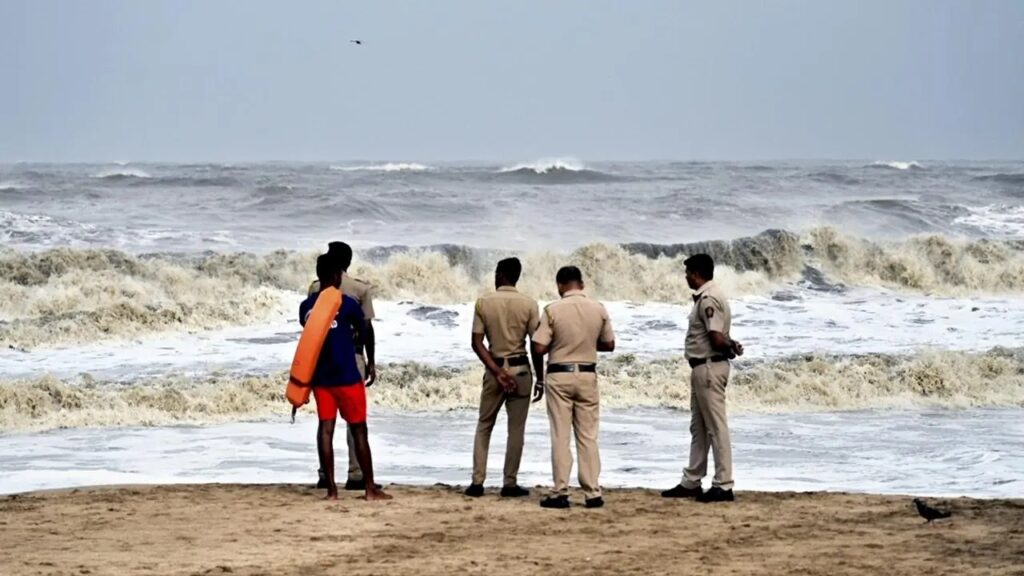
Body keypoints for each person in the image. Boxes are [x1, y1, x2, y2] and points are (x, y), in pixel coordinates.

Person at [300, 253, 390, 501]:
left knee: (326, 429)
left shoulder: (306, 307)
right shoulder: (348, 303)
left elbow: (310, 333)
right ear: (337, 276)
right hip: (347, 376)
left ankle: (331, 490)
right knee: (359, 429)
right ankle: (370, 489)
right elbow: (363, 330)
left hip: (321, 378)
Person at [531, 266, 615, 509]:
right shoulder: (598, 308)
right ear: (582, 284)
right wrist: (585, 342)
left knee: (561, 435)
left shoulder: (553, 310)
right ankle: (593, 492)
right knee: (588, 436)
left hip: (560, 375)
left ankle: (560, 491)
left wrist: (560, 343)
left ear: (560, 285)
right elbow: (609, 344)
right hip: (587, 373)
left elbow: (539, 347)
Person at [661, 253, 743, 503]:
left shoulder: (708, 299)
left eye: (688, 273)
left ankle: (723, 484)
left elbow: (715, 337)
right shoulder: (711, 296)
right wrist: (731, 345)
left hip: (708, 367)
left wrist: (728, 345)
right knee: (699, 427)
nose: (686, 277)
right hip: (704, 366)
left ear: (696, 274)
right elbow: (719, 337)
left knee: (715, 428)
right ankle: (692, 480)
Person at [465, 257, 541, 498]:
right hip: (521, 370)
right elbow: (536, 344)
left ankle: (477, 482)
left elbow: (477, 343)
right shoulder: (529, 304)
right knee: (516, 430)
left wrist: (498, 372)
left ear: (499, 274)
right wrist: (540, 377)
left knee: (484, 425)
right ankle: (510, 483)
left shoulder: (484, 302)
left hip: (494, 369)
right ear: (517, 277)